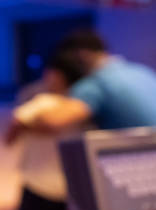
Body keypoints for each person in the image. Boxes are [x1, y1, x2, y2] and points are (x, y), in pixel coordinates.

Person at [5, 51, 86, 210]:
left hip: (37, 184)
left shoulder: (42, 102)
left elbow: (11, 133)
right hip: (65, 186)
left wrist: (27, 129)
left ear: (56, 74)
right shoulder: (81, 107)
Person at [10, 31, 156, 134]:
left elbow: (53, 122)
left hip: (139, 161)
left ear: (82, 55)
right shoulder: (143, 71)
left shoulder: (95, 84)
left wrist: (27, 119)